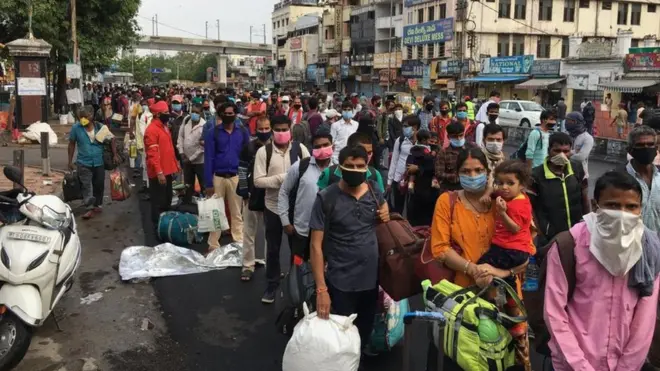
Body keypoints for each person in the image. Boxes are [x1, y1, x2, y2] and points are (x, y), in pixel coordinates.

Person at [544, 171, 660, 371]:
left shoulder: (650, 248)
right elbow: (554, 312)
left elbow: (645, 318)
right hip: (572, 363)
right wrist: (580, 366)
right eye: (613, 205)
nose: (622, 214)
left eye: (631, 207)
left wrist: (626, 367)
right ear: (595, 205)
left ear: (640, 209)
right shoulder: (568, 245)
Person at [429, 147, 530, 370]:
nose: (473, 176)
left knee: (505, 358)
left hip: (506, 297)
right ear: (457, 174)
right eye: (466, 171)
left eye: (478, 170)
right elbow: (440, 249)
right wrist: (473, 270)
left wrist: (500, 273)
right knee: (464, 357)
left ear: (488, 172)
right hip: (463, 298)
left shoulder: (508, 201)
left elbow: (526, 252)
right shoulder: (448, 202)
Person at [310, 145, 389, 356]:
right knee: (341, 338)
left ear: (367, 167)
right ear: (340, 167)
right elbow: (315, 246)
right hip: (340, 281)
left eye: (360, 166)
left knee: (363, 334)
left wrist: (386, 212)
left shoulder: (374, 190)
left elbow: (383, 213)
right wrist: (321, 290)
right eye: (350, 166)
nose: (355, 170)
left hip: (370, 280)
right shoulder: (326, 198)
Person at [253, 115, 310, 303]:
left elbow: (310, 173)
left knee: (298, 250)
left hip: (296, 209)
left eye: (285, 129)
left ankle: (298, 283)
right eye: (277, 129)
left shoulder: (300, 150)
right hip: (273, 207)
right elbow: (258, 181)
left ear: (291, 130)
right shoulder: (264, 152)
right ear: (272, 131)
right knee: (273, 249)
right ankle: (272, 284)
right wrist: (282, 179)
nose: (281, 133)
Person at [476, 160, 533, 338]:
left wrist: (502, 213)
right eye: (500, 182)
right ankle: (514, 319)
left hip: (511, 250)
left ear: (522, 185)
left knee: (482, 267)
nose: (503, 187)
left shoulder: (518, 205)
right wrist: (488, 193)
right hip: (510, 249)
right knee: (508, 283)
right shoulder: (513, 197)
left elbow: (515, 228)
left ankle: (494, 303)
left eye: (510, 183)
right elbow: (493, 191)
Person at [278, 131, 333, 264]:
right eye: (317, 146)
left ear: (333, 146)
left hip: (329, 233)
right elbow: (284, 192)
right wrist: (285, 221)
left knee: (325, 268)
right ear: (312, 149)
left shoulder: (338, 170)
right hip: (301, 231)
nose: (322, 149)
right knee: (298, 268)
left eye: (325, 145)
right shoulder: (300, 167)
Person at [529, 132, 590, 245]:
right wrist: (540, 233)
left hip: (576, 232)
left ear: (571, 152)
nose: (562, 155)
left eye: (566, 151)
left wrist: (588, 224)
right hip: (550, 236)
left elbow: (585, 197)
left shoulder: (577, 169)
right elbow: (530, 207)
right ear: (549, 151)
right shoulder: (535, 175)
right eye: (557, 151)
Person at [204, 101, 250, 247]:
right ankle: (213, 244)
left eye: (231, 113)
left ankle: (239, 242)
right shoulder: (213, 133)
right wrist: (208, 183)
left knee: (237, 213)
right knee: (215, 213)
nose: (229, 116)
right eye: (226, 113)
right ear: (221, 115)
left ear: (236, 114)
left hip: (236, 177)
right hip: (218, 177)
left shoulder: (242, 132)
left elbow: (246, 158)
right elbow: (209, 157)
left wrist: (245, 182)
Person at [67, 108, 118, 219]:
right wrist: (69, 161)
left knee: (99, 185)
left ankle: (97, 204)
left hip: (99, 161)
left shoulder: (100, 127)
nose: (82, 120)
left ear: (91, 116)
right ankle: (89, 208)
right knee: (86, 185)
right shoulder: (76, 128)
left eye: (85, 117)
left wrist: (115, 154)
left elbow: (112, 138)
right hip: (83, 162)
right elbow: (71, 144)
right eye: (81, 118)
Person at [239, 117, 271, 281]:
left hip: (271, 197)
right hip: (252, 195)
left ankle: (271, 266)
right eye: (261, 128)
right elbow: (242, 170)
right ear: (256, 129)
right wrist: (244, 192)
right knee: (249, 231)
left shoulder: (277, 148)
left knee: (271, 234)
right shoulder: (249, 148)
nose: (264, 131)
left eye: (267, 128)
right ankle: (247, 265)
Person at [144, 101, 180, 226]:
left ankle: (165, 224)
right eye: (165, 113)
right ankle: (157, 225)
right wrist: (159, 172)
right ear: (158, 114)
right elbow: (153, 154)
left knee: (167, 199)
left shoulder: (164, 127)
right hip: (158, 172)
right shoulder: (152, 130)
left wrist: (175, 164)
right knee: (158, 201)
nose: (168, 115)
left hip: (168, 170)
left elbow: (169, 148)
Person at [317, 131, 385, 192]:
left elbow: (380, 202)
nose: (366, 156)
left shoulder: (375, 174)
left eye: (369, 152)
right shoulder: (329, 173)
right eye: (362, 151)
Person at [624, 125, 660, 232]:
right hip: (629, 245)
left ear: (656, 149)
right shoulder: (619, 179)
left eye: (650, 144)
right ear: (630, 150)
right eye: (640, 145)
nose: (646, 148)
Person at [404, 129, 440, 226]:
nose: (431, 143)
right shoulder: (428, 153)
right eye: (430, 140)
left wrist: (418, 169)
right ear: (424, 140)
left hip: (417, 190)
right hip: (426, 190)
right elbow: (433, 168)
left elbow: (408, 167)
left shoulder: (412, 151)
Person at [388, 115, 420, 214]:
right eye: (403, 126)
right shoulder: (400, 140)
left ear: (414, 127)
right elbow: (394, 160)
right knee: (398, 207)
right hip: (399, 179)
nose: (403, 128)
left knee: (413, 208)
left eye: (406, 126)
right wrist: (389, 181)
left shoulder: (422, 141)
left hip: (415, 180)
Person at [177, 103, 206, 204]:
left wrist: (191, 158)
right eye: (193, 111)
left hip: (200, 162)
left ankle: (205, 207)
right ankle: (187, 205)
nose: (194, 114)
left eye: (197, 112)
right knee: (188, 184)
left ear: (201, 113)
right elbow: (180, 137)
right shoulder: (186, 121)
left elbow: (203, 147)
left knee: (204, 185)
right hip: (186, 159)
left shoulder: (204, 125)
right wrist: (181, 152)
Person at [435, 121, 470, 192]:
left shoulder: (471, 149)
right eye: (455, 136)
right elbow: (439, 173)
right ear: (448, 137)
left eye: (461, 135)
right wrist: (454, 177)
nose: (459, 138)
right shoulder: (443, 153)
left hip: (469, 188)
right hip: (450, 189)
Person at [480, 123, 506, 203]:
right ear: (484, 140)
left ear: (503, 141)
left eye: (498, 140)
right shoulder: (478, 158)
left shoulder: (504, 162)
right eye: (491, 139)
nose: (495, 143)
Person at [565, 112, 594, 179]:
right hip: (565, 172)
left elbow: (581, 157)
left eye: (568, 120)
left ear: (575, 122)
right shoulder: (565, 134)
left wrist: (564, 155)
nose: (566, 123)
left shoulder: (587, 138)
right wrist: (575, 151)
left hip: (580, 174)